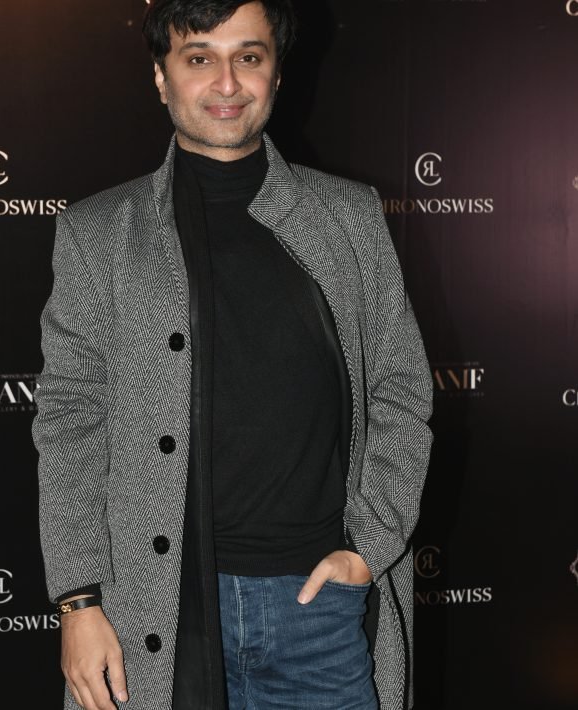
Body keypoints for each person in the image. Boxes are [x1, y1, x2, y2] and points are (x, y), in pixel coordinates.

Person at [31, 1, 434, 709]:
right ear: (162, 77)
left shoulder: (348, 217)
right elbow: (70, 422)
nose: (226, 82)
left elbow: (401, 391)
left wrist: (368, 548)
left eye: (249, 57)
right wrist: (77, 601)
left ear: (276, 74)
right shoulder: (99, 233)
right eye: (199, 58)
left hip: (318, 610)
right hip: (152, 613)